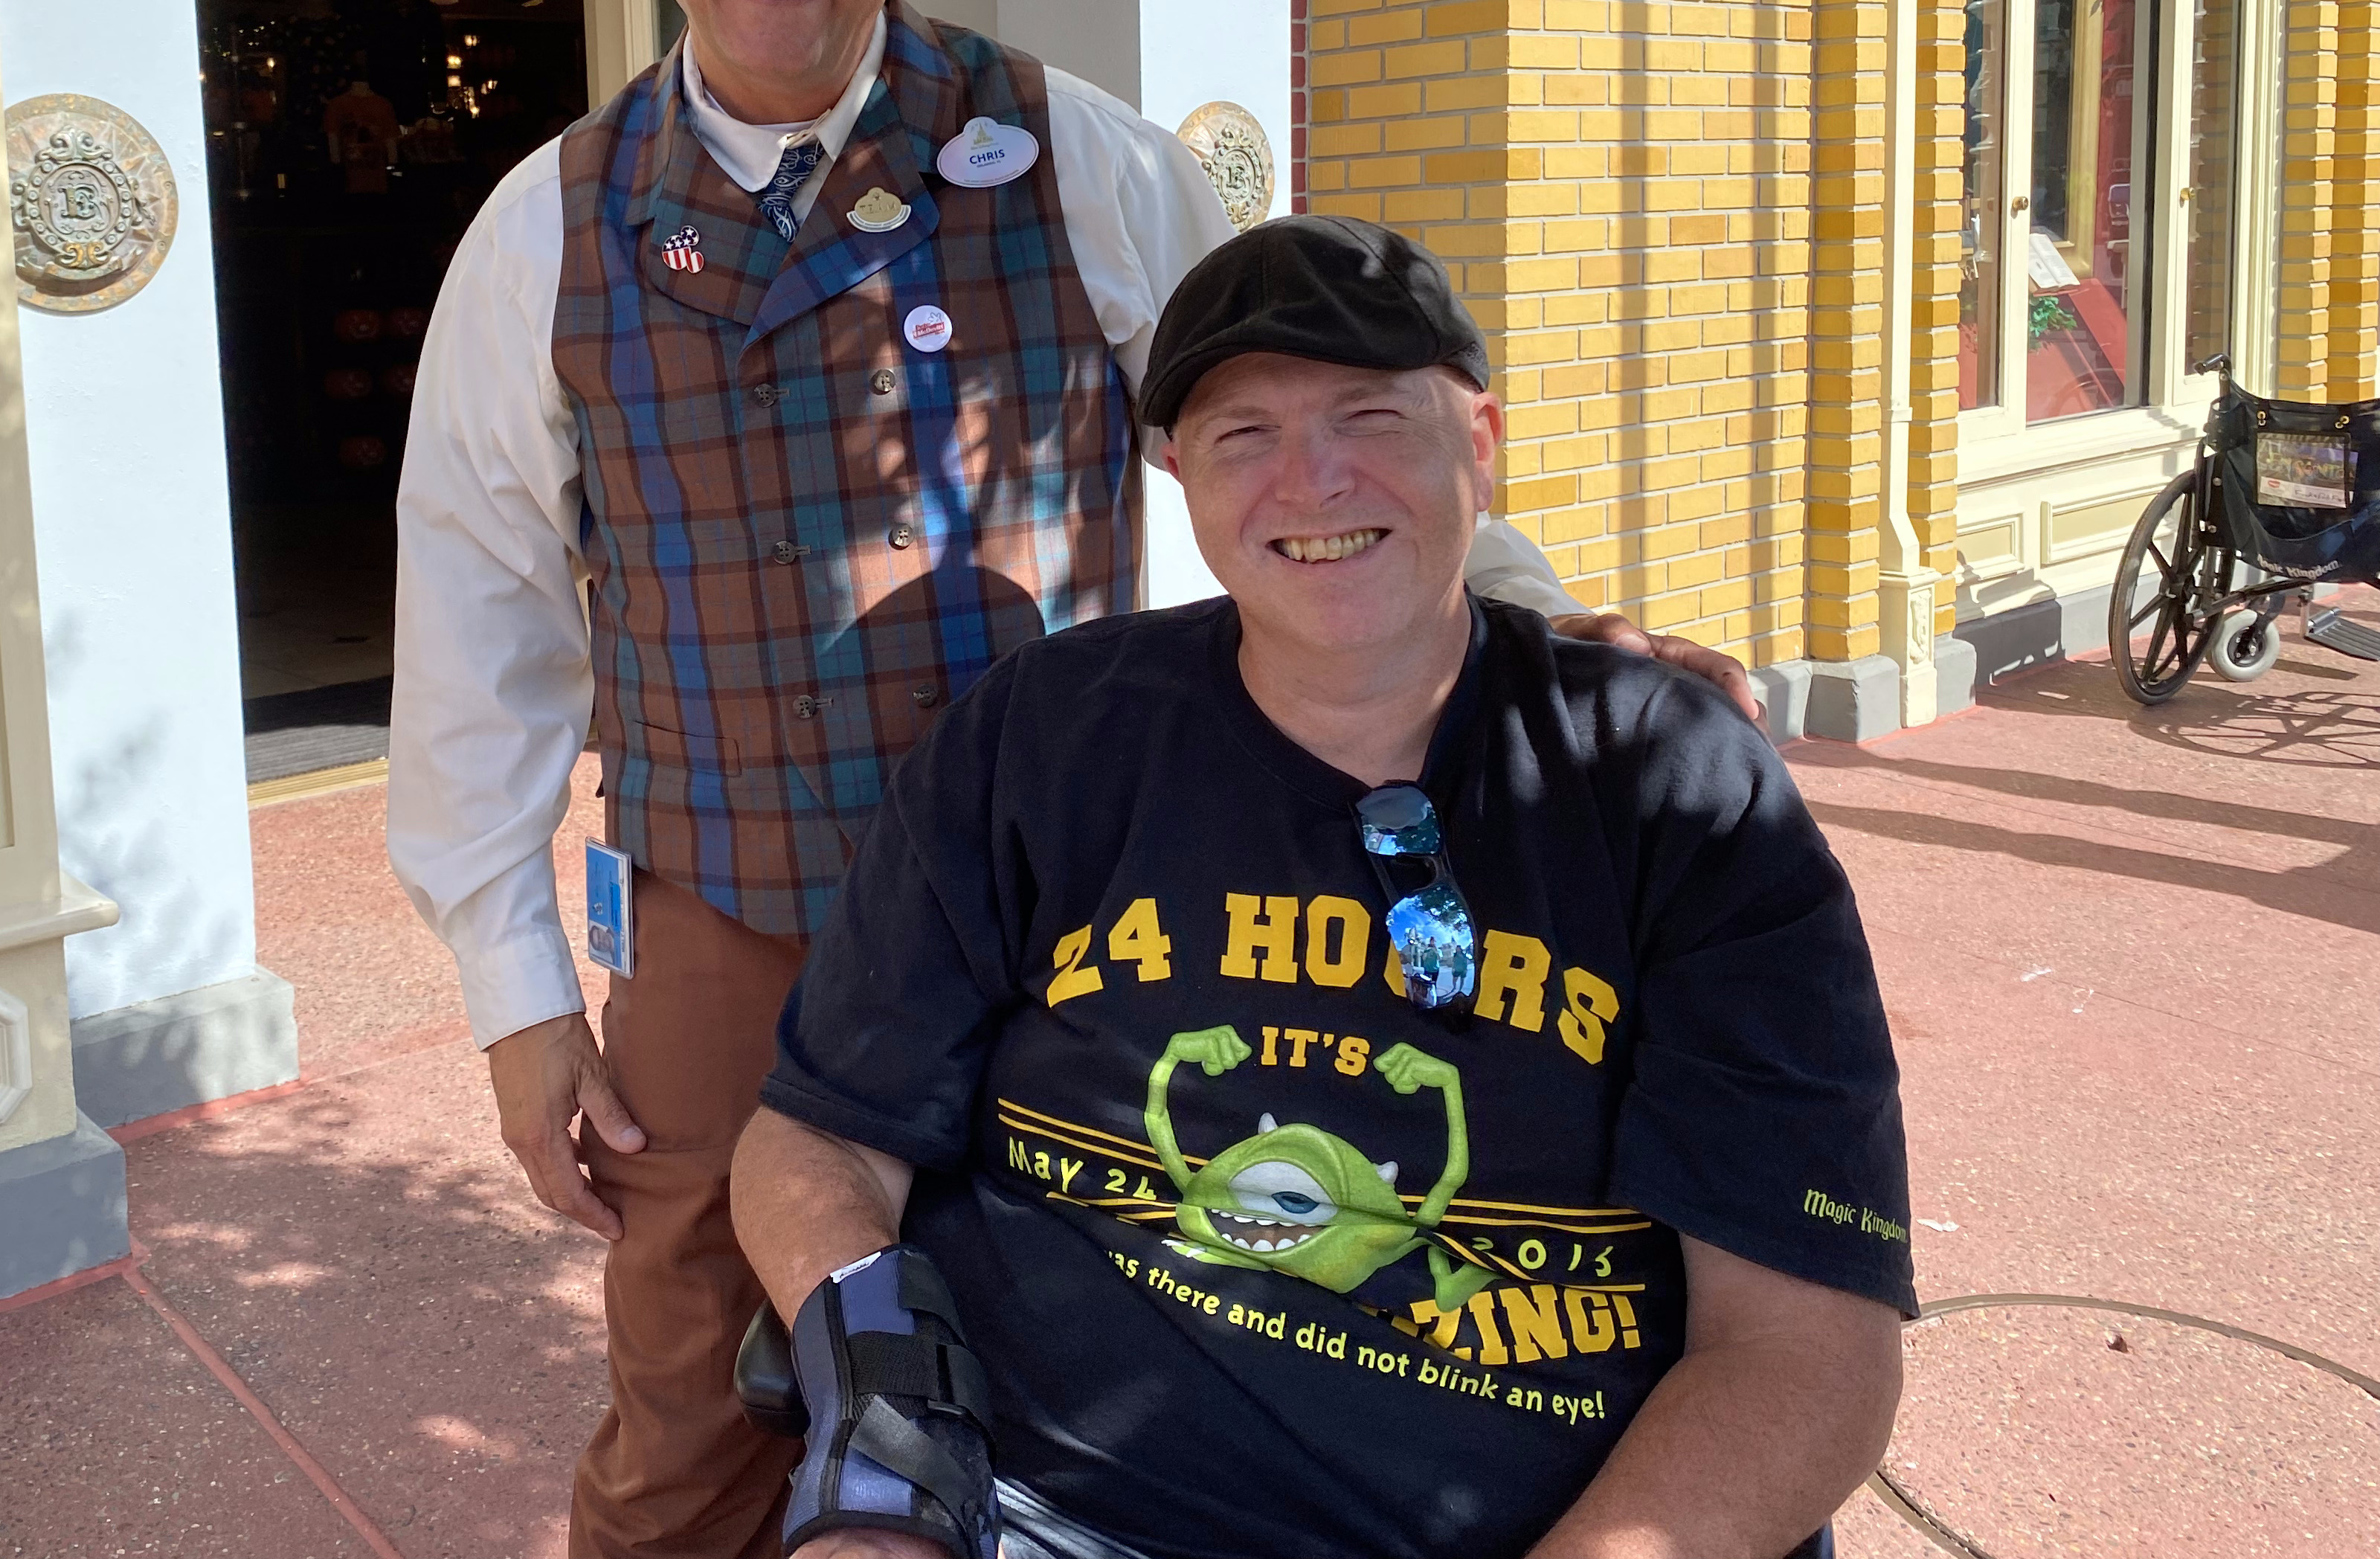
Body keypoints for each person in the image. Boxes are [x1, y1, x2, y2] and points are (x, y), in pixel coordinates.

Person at [390, 0, 1768, 1559]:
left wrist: (1527, 640)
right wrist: (517, 998)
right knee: (687, 1420)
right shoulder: (543, 227)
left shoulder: (1079, 163)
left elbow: (1315, 435)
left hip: (1070, 927)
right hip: (727, 931)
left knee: (1075, 1386)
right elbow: (484, 621)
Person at [730, 216, 1913, 1559]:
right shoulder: (1045, 736)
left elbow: (1805, 1349)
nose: (1313, 479)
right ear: (1180, 476)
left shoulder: (1668, 787)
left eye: (1372, 416)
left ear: (1482, 444)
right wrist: (888, 1446)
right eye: (1245, 434)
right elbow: (820, 1137)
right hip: (1035, 1509)